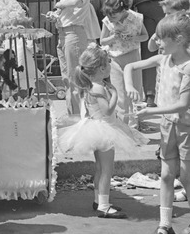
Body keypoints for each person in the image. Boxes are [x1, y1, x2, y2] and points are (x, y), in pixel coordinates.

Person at [124, 12, 190, 234]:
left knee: (187, 178)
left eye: (161, 38)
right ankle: (165, 225)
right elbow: (130, 66)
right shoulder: (164, 60)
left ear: (178, 39)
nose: (157, 43)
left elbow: (182, 106)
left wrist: (150, 111)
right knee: (166, 175)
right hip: (168, 126)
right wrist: (130, 85)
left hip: (187, 128)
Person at [57, 44, 146, 218]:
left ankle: (99, 200)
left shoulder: (92, 86)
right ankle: (104, 206)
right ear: (101, 68)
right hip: (104, 130)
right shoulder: (98, 88)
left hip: (97, 129)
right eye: (108, 64)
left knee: (100, 168)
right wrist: (114, 95)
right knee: (107, 169)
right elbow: (107, 111)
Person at [46, 0, 101, 115]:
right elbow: (61, 11)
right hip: (63, 32)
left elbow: (76, 2)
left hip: (75, 33)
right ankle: (72, 113)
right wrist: (54, 14)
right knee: (66, 78)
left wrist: (60, 5)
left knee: (76, 77)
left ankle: (79, 115)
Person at [99, 0, 148, 130]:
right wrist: (113, 37)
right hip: (115, 59)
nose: (110, 17)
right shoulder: (108, 21)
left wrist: (133, 38)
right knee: (119, 93)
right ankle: (121, 125)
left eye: (113, 14)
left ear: (122, 9)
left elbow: (145, 36)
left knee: (135, 90)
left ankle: (134, 125)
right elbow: (102, 41)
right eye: (108, 15)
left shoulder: (136, 18)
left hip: (132, 58)